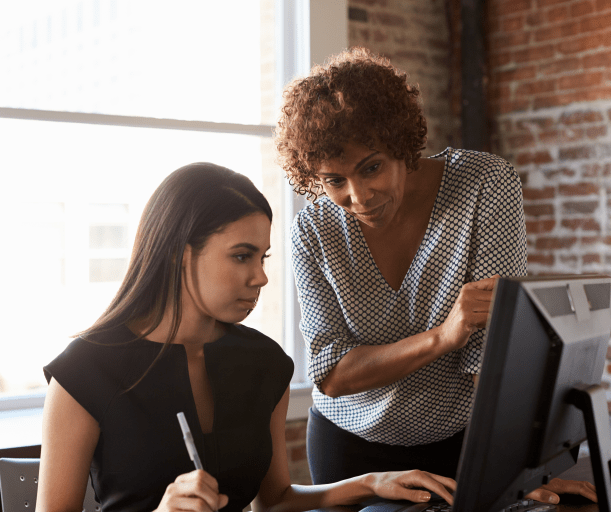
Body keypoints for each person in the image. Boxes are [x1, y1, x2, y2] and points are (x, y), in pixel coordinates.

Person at [36, 162, 459, 512]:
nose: (260, 277)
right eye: (241, 256)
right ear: (178, 254)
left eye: (262, 257)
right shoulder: (84, 373)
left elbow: (274, 501)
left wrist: (371, 483)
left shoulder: (265, 363)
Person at [274, 47, 596, 505]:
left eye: (371, 167)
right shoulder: (313, 229)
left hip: (463, 443)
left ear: (402, 144)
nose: (358, 196)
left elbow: (490, 352)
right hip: (349, 447)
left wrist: (521, 469)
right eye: (333, 180)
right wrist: (444, 335)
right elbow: (330, 373)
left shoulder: (484, 185)